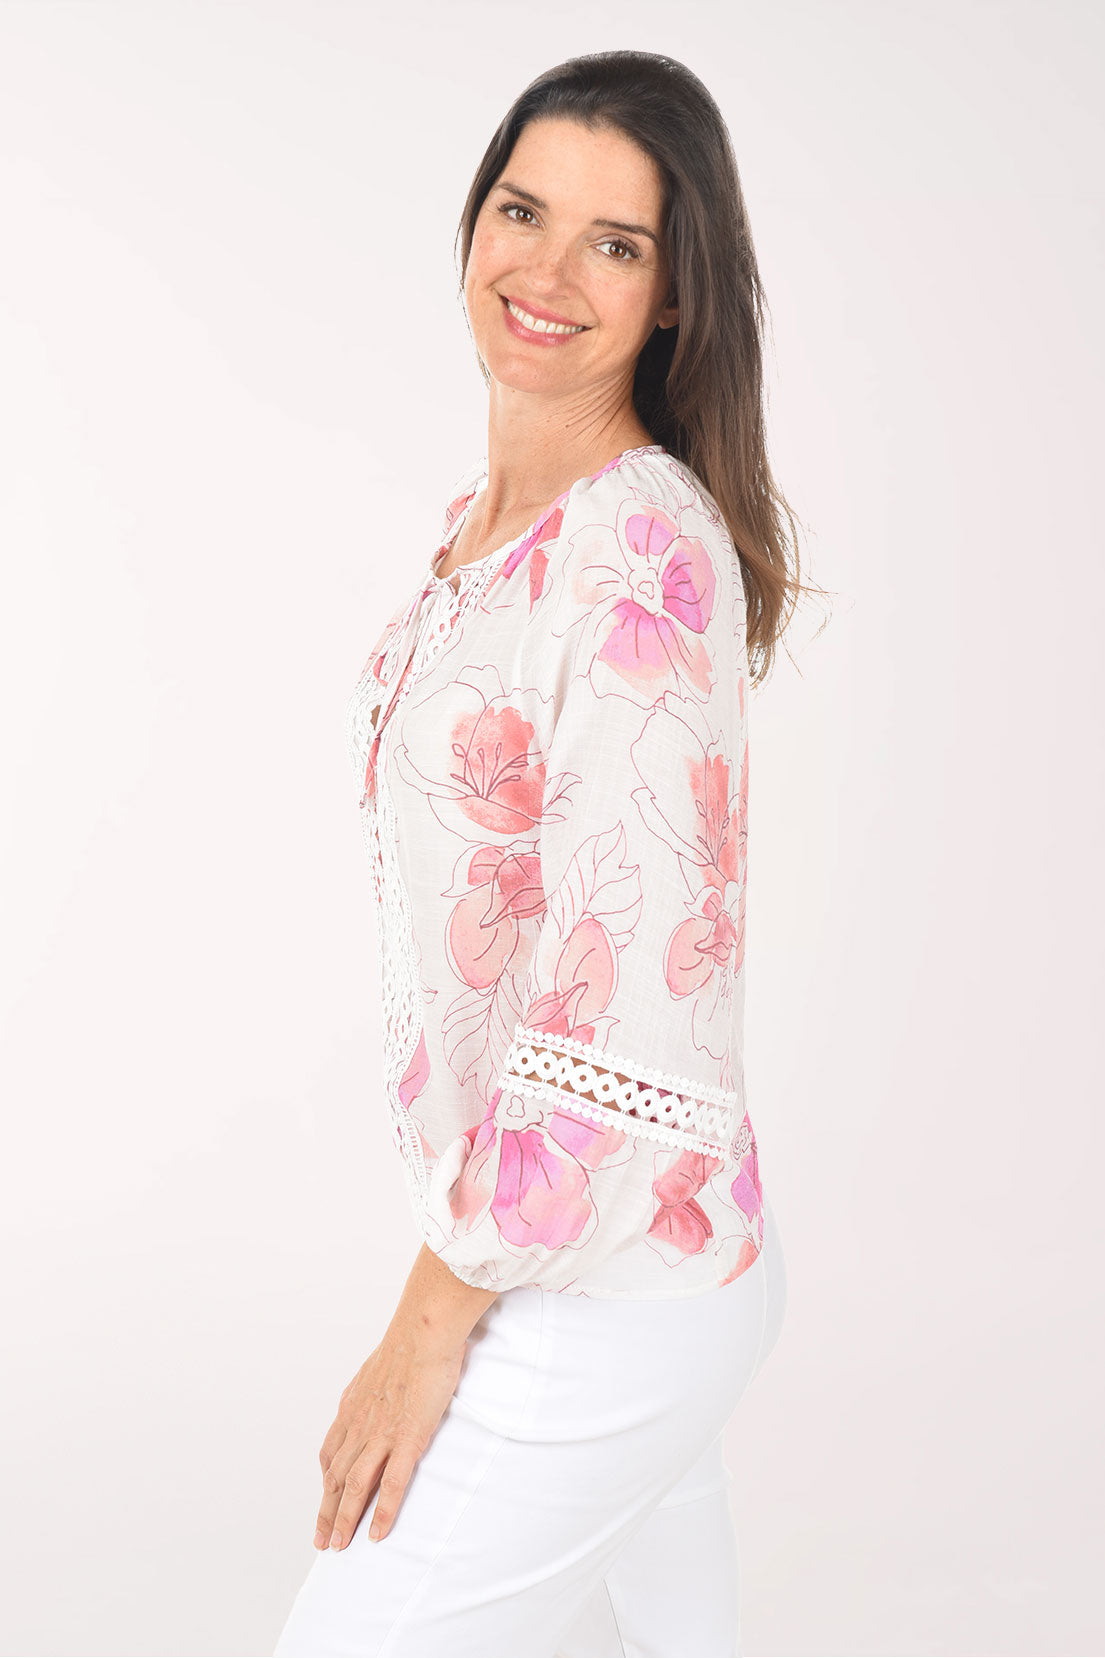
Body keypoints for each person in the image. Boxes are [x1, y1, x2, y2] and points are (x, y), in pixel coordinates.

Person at [273, 47, 813, 1658]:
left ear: (671, 299)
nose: (546, 268)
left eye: (615, 243)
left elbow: (612, 1022)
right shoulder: (490, 525)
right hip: (609, 1233)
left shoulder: (639, 553)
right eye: (523, 208)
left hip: (620, 1277)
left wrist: (421, 1329)